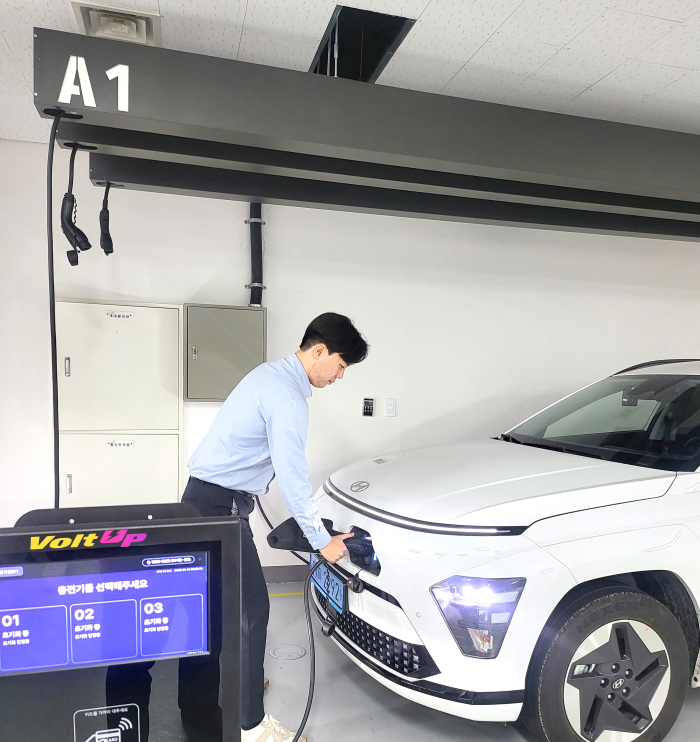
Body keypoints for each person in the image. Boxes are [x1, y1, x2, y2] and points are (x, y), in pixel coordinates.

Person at [183, 312, 369, 742]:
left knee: (219, 612)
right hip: (218, 510)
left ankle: (231, 688)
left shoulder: (269, 374)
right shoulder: (288, 398)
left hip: (206, 501)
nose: (340, 376)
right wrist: (322, 542)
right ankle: (250, 725)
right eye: (341, 365)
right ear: (319, 351)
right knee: (251, 614)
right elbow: (291, 476)